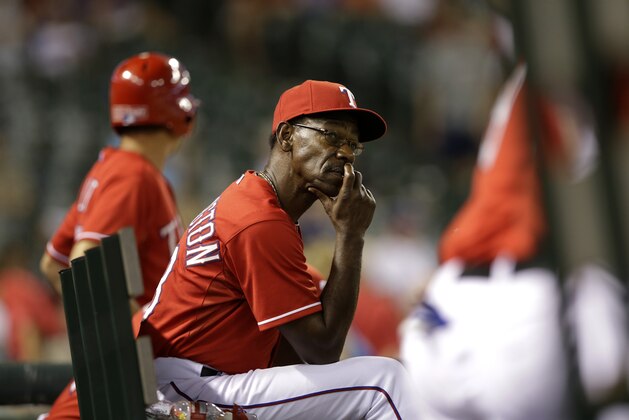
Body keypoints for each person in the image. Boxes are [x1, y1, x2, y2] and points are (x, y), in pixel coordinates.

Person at [136, 80, 422, 419]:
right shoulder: (258, 220)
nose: (345, 153)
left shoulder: (260, 203)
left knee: (368, 384)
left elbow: (302, 346)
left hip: (195, 377)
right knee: (386, 382)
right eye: (331, 136)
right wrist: (351, 235)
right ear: (286, 135)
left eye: (352, 145)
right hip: (188, 387)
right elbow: (322, 349)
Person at [38, 51, 199, 420]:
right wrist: (137, 338)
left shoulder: (115, 167)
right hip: (127, 388)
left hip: (121, 380)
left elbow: (53, 263)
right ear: (179, 114)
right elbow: (83, 266)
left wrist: (107, 337)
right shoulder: (132, 175)